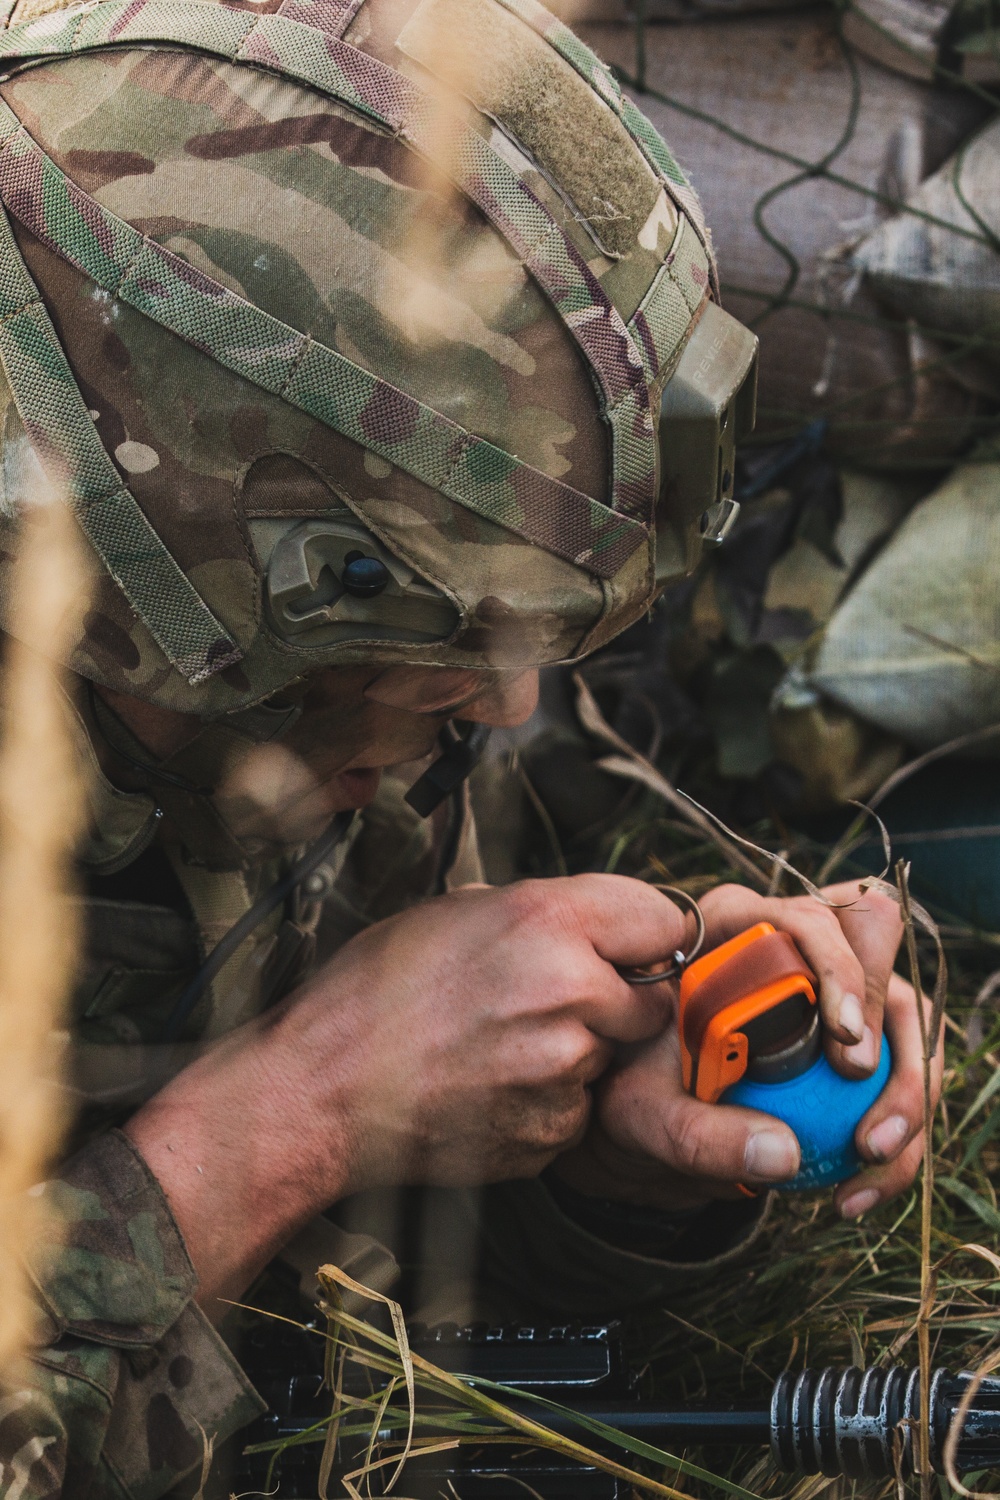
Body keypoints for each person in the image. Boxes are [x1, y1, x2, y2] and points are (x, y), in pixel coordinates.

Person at [0, 0, 938, 1490]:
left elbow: (355, 1293)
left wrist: (599, 1153)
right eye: (405, 640)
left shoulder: (261, 712)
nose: (497, 713)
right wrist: (287, 1117)